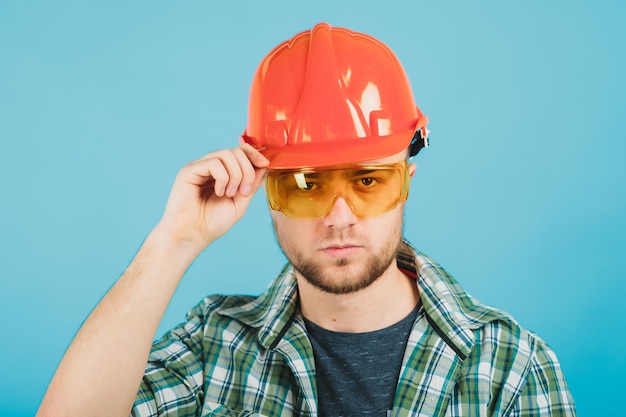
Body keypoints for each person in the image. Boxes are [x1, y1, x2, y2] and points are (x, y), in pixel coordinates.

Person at [37, 23, 576, 417]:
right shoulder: (214, 346)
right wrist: (173, 241)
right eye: (304, 186)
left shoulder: (511, 367)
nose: (338, 218)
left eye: (367, 180)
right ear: (263, 188)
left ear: (407, 180)